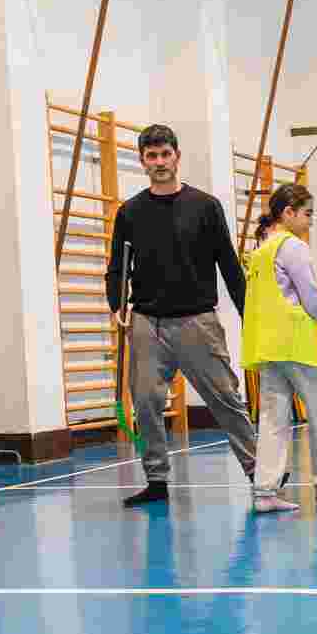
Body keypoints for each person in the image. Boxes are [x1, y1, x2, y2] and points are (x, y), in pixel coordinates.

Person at [105, 123, 260, 507]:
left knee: (225, 397)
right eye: (151, 156)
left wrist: (248, 315)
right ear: (142, 161)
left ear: (176, 155)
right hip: (146, 321)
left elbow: (228, 264)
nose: (159, 162)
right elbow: (116, 267)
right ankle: (156, 480)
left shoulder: (205, 206)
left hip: (197, 322)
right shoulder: (130, 213)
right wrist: (115, 306)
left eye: (165, 154)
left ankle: (259, 470)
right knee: (145, 402)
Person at [242, 184, 317, 513]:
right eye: (307, 214)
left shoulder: (262, 249)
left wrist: (316, 293)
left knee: (272, 418)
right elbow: (311, 303)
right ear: (288, 213)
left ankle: (265, 491)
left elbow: (282, 292)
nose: (310, 221)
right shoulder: (294, 246)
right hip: (296, 342)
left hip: (268, 344)